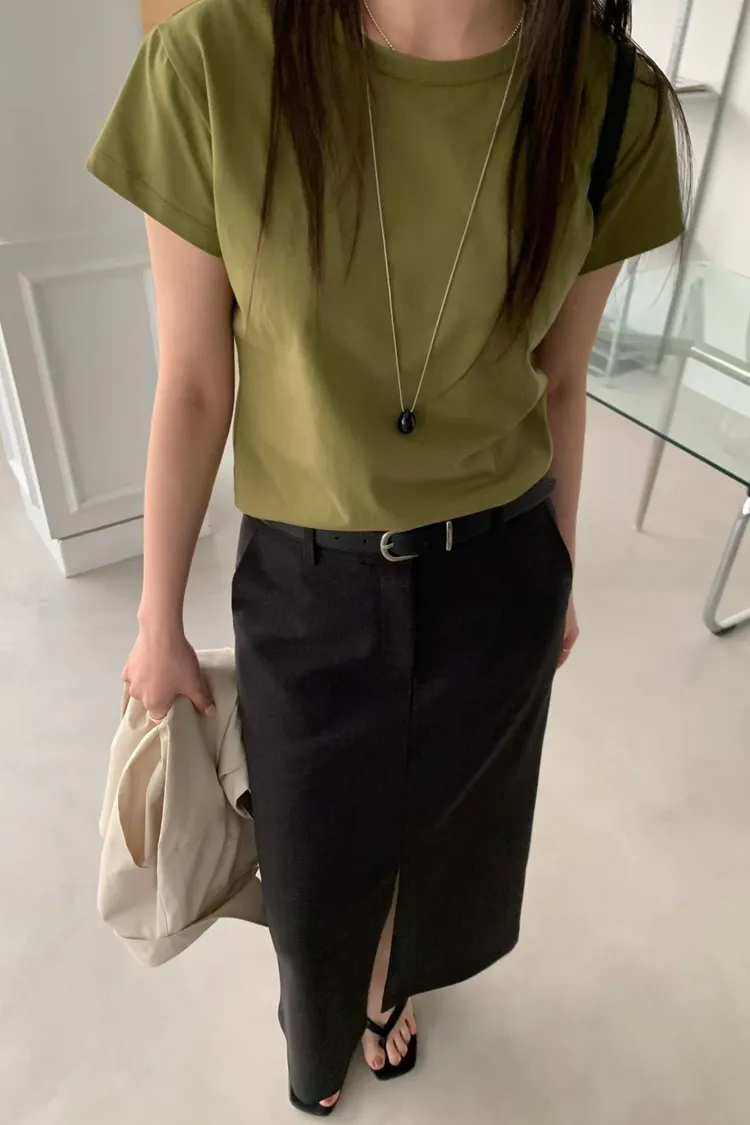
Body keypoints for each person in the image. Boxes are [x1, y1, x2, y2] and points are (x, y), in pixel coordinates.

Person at [88, 0, 687, 1115]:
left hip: (500, 572)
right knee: (309, 872)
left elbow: (561, 381)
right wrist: (155, 618)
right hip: (308, 583)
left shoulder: (616, 105)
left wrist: (558, 571)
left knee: (446, 847)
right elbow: (196, 383)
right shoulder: (213, 65)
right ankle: (318, 1039)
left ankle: (381, 993)